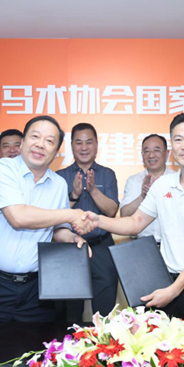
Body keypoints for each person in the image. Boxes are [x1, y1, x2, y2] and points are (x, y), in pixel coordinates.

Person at [81, 113, 184, 323]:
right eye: (178, 139)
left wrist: (173, 290)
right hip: (163, 281)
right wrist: (98, 220)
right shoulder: (162, 185)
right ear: (173, 146)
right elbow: (135, 223)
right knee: (158, 343)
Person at [0, 116, 93, 322]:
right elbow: (18, 217)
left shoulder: (58, 184)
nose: (40, 144)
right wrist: (72, 214)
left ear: (56, 151)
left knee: (38, 343)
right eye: (35, 137)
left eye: (49, 141)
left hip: (36, 290)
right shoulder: (1, 169)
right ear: (23, 142)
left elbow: (57, 229)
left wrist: (72, 239)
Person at [56, 123, 120, 321]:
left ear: (96, 145)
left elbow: (111, 210)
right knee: (69, 311)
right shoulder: (60, 177)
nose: (84, 147)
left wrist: (93, 190)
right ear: (71, 146)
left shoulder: (107, 174)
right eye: (79, 142)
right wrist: (74, 195)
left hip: (101, 246)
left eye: (89, 142)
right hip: (69, 248)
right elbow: (54, 214)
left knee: (105, 312)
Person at [120, 134, 175, 245]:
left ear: (166, 154)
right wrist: (142, 196)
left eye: (156, 150)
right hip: (141, 245)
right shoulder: (133, 181)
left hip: (171, 245)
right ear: (142, 155)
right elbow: (124, 215)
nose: (151, 155)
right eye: (147, 151)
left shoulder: (178, 180)